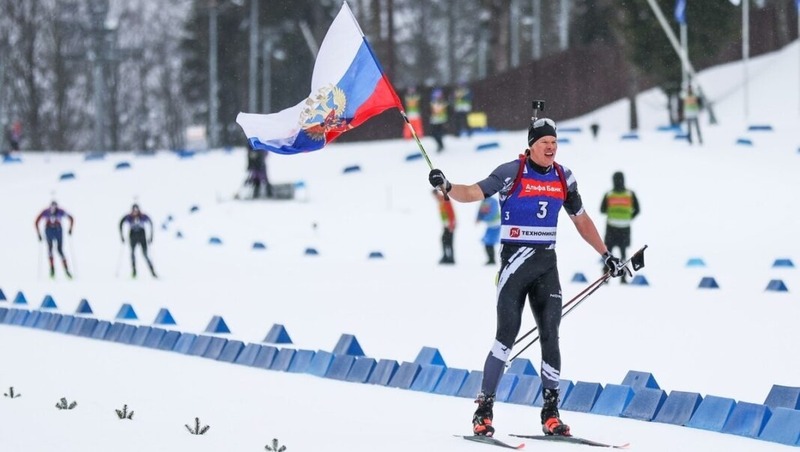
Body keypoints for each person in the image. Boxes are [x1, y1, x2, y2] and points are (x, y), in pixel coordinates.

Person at [427, 117, 630, 437]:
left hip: (547, 266)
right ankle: (484, 410)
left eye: (554, 142)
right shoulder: (511, 172)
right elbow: (472, 192)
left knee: (551, 333)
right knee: (506, 335)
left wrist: (606, 255)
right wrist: (447, 187)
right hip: (514, 267)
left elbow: (581, 220)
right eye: (544, 142)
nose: (550, 147)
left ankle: (551, 412)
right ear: (531, 146)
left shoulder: (564, 177)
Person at [600, 172, 640, 284]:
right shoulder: (630, 194)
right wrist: (628, 217)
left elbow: (602, 210)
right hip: (624, 227)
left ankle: (605, 277)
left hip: (611, 227)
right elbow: (637, 210)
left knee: (607, 254)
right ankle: (623, 277)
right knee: (623, 254)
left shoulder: (609, 194)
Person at [34, 201, 74, 278]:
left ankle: (66, 270)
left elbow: (71, 218)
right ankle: (52, 270)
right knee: (50, 249)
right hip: (49, 230)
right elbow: (36, 221)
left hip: (58, 230)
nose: (53, 209)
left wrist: (70, 229)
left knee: (60, 250)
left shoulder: (60, 211)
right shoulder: (45, 212)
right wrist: (38, 234)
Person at [119, 203, 157, 278]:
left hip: (142, 236)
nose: (135, 212)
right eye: (134, 210)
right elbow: (121, 223)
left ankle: (152, 272)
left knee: (145, 255)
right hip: (133, 236)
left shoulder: (142, 216)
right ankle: (134, 271)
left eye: (136, 210)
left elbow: (151, 222)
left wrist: (151, 236)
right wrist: (122, 236)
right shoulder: (129, 217)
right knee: (132, 254)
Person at [433, 189, 456, 264]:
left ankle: (450, 258)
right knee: (444, 240)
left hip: (450, 225)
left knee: (448, 241)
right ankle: (446, 256)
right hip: (446, 225)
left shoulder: (444, 199)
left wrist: (451, 224)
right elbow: (444, 215)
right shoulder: (440, 201)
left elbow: (450, 212)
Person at [476, 196, 501, 265]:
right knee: (487, 242)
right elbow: (480, 211)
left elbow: (493, 213)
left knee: (489, 242)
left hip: (495, 225)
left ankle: (491, 259)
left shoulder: (493, 201)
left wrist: (483, 218)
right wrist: (478, 217)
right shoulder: (484, 201)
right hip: (490, 225)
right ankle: (491, 259)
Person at [429, 88, 449, 153]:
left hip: (441, 121)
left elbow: (448, 111)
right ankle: (440, 145)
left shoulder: (443, 102)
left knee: (438, 134)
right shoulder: (432, 102)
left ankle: (440, 146)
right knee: (433, 134)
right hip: (434, 121)